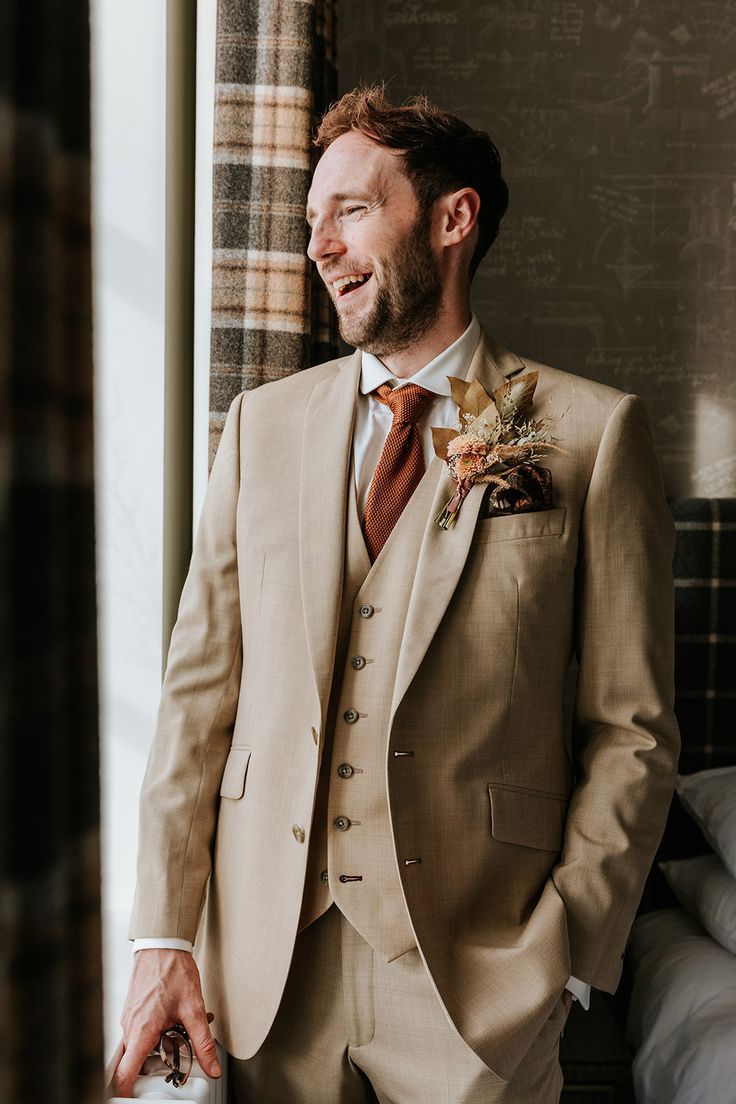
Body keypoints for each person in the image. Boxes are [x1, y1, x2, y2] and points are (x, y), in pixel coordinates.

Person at [114, 86, 679, 1103]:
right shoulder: (260, 427)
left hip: (480, 977)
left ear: (452, 220)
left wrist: (565, 947)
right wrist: (164, 935)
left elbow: (630, 725)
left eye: (351, 211)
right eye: (308, 222)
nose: (319, 248)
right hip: (267, 969)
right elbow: (199, 697)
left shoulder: (589, 435)